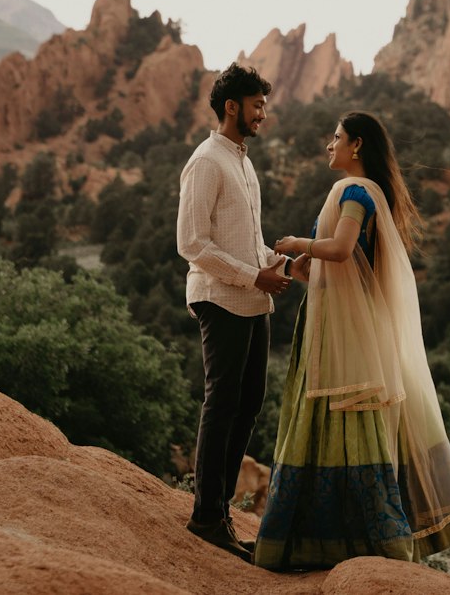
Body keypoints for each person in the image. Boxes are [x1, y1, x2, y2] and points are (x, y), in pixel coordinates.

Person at [254, 110, 450, 570]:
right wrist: (298, 267)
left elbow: (338, 249)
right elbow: (336, 264)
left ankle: (366, 547)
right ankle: (350, 544)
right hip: (345, 327)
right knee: (346, 421)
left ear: (357, 145)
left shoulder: (354, 192)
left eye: (336, 138)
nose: (328, 145)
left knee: (348, 421)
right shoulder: (364, 192)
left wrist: (299, 241)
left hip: (346, 333)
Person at [176, 62, 293, 564]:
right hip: (219, 298)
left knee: (248, 403)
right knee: (222, 402)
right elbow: (192, 243)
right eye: (257, 105)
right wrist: (253, 275)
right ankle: (206, 517)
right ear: (232, 107)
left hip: (251, 299)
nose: (263, 113)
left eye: (263, 105)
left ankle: (219, 511)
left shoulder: (243, 163)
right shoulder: (206, 161)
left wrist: (277, 262)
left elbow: (244, 241)